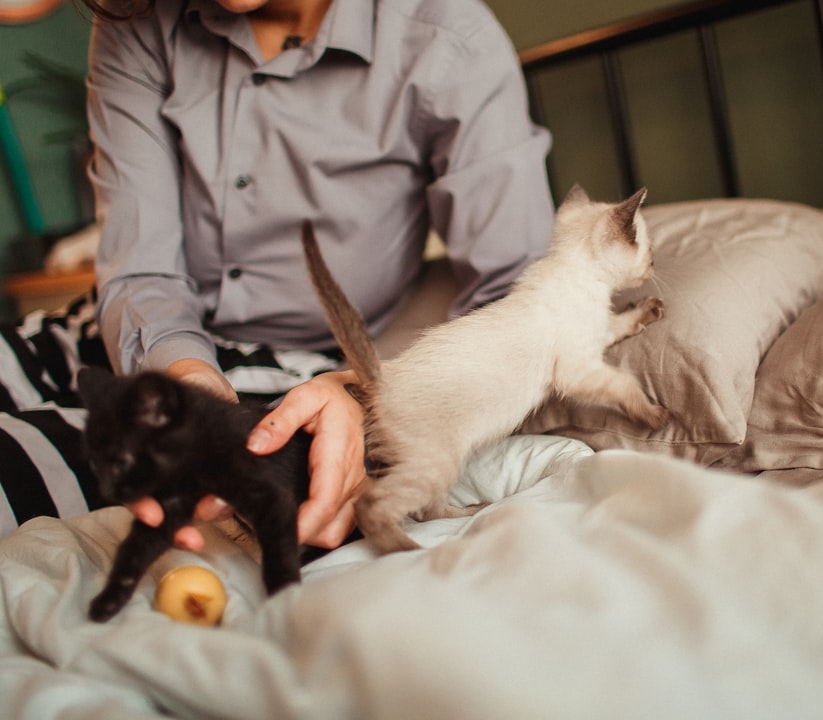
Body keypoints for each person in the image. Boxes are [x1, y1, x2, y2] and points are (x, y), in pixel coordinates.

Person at [0, 0, 554, 547]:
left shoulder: (447, 38)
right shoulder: (138, 21)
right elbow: (139, 268)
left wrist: (365, 396)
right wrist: (188, 383)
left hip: (283, 372)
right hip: (114, 334)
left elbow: (520, 305)